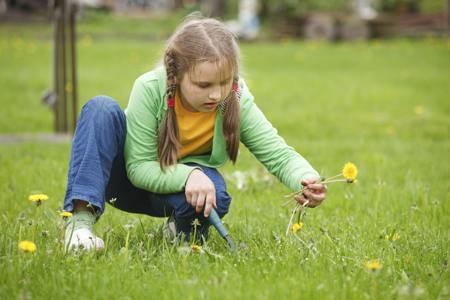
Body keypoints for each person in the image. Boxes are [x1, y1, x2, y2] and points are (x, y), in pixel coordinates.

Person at [63, 17, 327, 251]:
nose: (216, 94)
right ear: (175, 75)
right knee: (100, 107)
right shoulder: (149, 88)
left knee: (218, 194)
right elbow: (139, 167)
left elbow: (277, 154)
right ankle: (79, 229)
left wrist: (305, 178)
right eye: (204, 85)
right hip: (121, 181)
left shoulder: (231, 98)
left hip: (172, 190)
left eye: (225, 82)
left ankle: (181, 231)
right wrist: (189, 174)